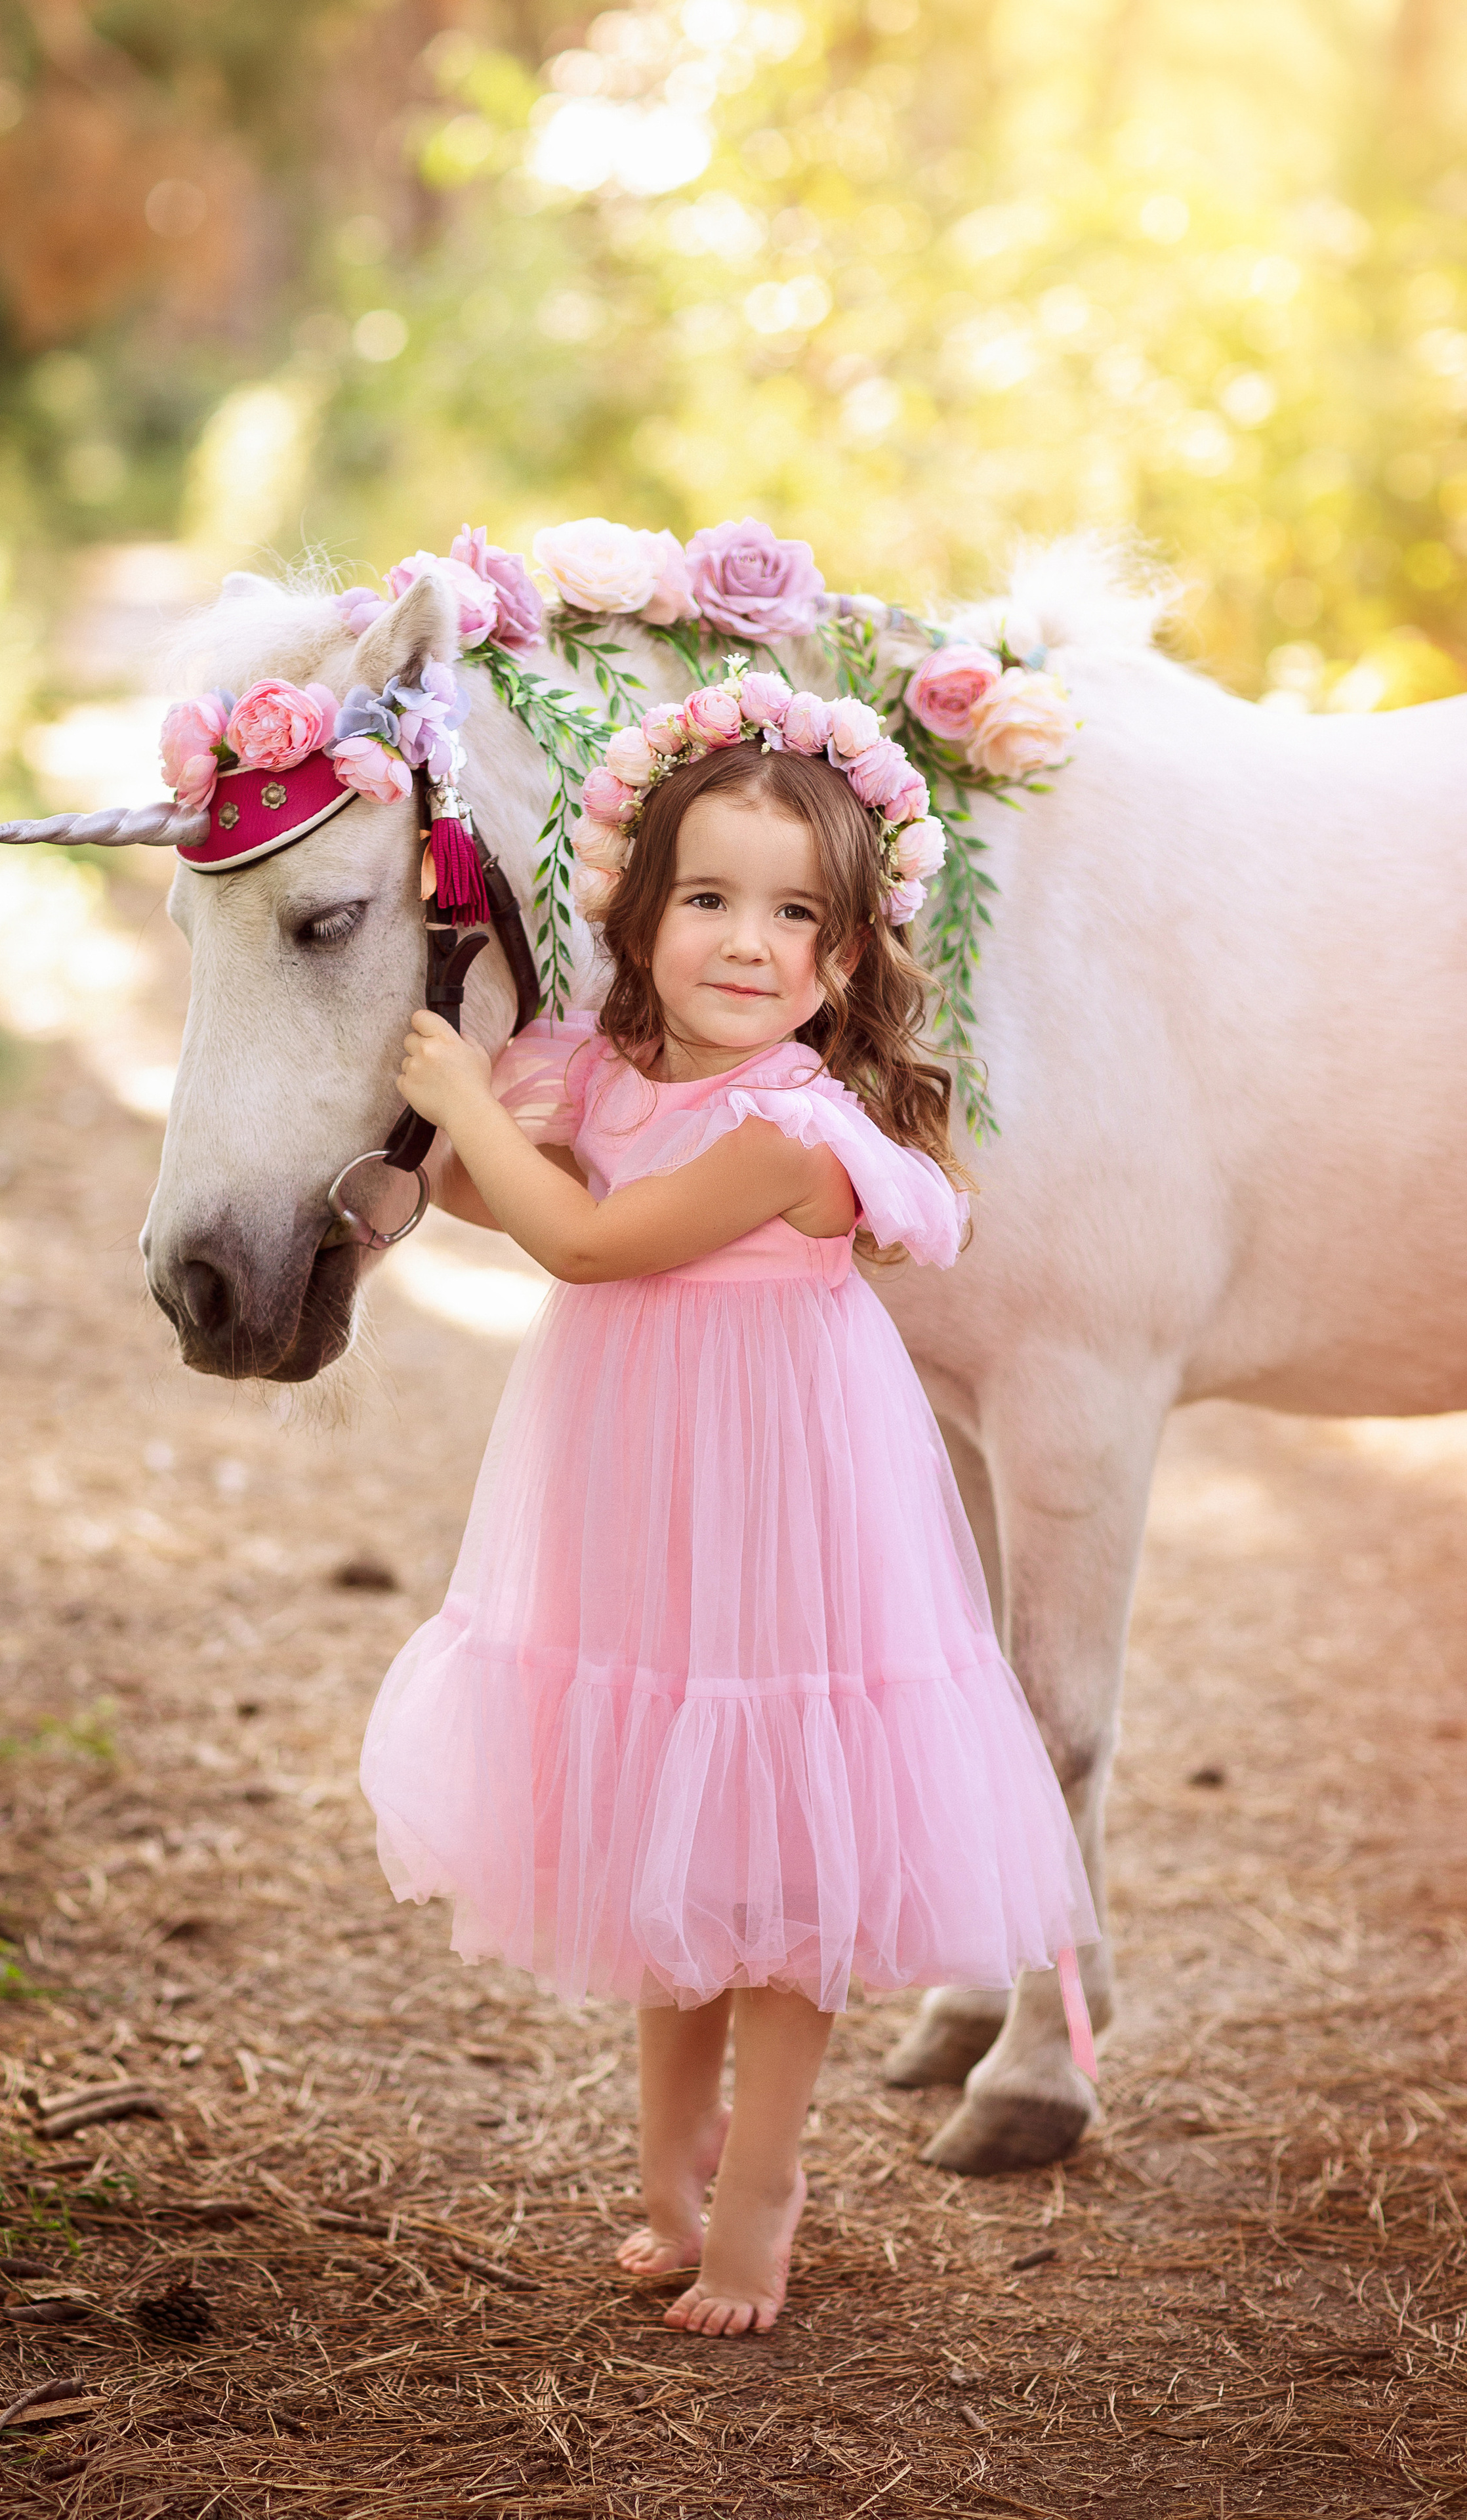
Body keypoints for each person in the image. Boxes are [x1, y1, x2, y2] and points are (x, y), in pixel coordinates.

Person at [359, 666, 1098, 2339]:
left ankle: (759, 2206)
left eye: (792, 918)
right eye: (705, 899)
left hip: (785, 1494)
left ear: (843, 961)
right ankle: (665, 2183)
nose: (744, 944)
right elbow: (497, 1195)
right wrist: (504, 1105)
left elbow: (598, 1244)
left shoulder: (794, 1129)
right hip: (638, 1481)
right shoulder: (620, 1076)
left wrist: (478, 1105)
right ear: (641, 915)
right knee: (662, 1840)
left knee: (771, 1857)